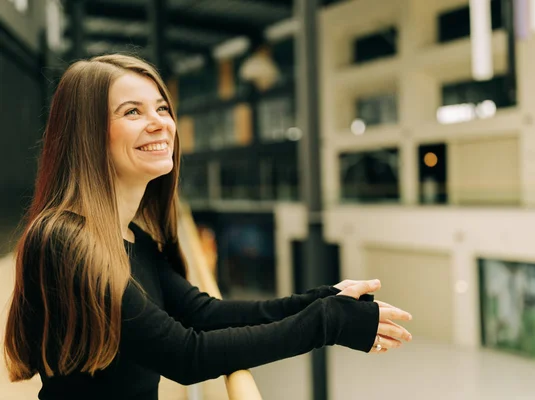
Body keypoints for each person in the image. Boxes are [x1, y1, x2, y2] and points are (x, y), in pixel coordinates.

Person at [2, 54, 413, 400]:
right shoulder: (64, 241)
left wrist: (324, 298)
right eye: (132, 111)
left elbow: (206, 314)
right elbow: (185, 356)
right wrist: (327, 322)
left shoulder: (131, 236)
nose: (160, 122)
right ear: (87, 134)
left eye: (162, 108)